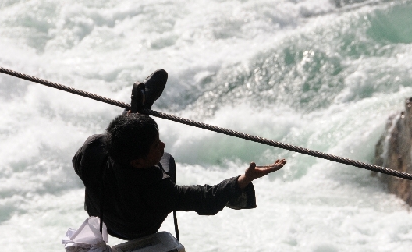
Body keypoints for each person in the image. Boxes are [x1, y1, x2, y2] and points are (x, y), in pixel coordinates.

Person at [72, 70, 285, 240]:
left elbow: (82, 162)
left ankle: (135, 113)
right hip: (135, 229)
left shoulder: (91, 149)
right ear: (137, 162)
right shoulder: (157, 190)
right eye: (155, 146)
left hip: (99, 216)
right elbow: (204, 198)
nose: (162, 145)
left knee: (113, 141)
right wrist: (245, 179)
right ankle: (136, 111)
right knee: (168, 161)